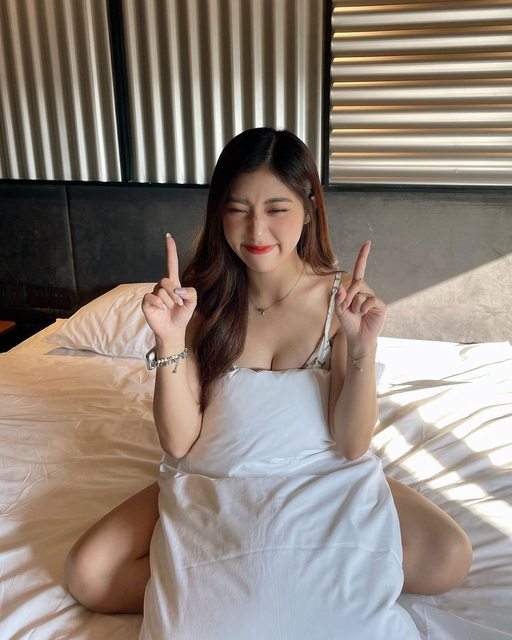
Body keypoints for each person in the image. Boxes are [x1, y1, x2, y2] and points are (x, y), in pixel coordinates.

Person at [65, 128, 472, 626]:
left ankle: (262, 570)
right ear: (219, 213)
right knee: (89, 574)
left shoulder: (342, 300)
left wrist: (362, 348)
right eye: (238, 209)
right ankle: (252, 570)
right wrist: (168, 340)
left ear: (309, 208)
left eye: (276, 209)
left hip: (320, 474)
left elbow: (351, 444)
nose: (256, 230)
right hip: (217, 474)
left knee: (448, 557)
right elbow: (179, 442)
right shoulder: (199, 301)